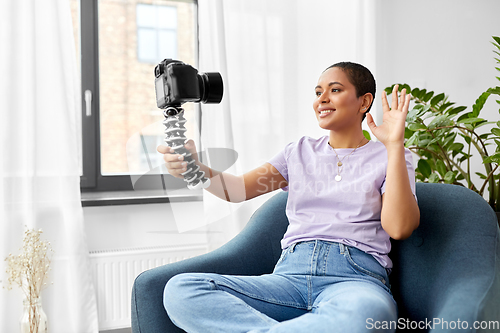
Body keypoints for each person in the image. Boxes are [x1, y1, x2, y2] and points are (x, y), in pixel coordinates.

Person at [157, 61, 420, 333]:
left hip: (354, 281)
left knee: (370, 315)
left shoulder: (392, 157)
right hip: (289, 279)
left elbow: (399, 227)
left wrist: (394, 146)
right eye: (318, 93)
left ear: (364, 102)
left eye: (335, 90)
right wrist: (194, 167)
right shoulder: (298, 152)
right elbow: (237, 189)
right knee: (181, 289)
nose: (322, 100)